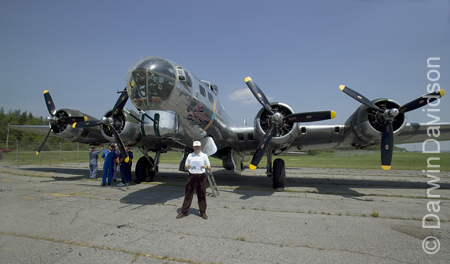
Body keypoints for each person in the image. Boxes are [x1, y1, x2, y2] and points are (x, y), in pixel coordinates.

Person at [177, 141, 211, 220]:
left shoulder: (204, 156)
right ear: (193, 147)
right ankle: (184, 212)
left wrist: (205, 167)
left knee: (201, 194)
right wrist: (187, 166)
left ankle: (203, 212)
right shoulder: (190, 155)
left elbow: (209, 167)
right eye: (195, 146)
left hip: (201, 177)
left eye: (198, 146)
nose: (197, 148)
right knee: (188, 194)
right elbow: (185, 167)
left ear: (200, 147)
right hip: (191, 176)